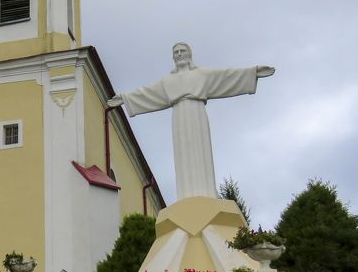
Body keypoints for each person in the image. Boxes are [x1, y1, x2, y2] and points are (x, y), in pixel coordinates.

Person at [107, 43, 274, 199]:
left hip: (197, 113)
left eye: (182, 51)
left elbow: (226, 76)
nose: (179, 54)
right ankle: (186, 195)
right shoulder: (168, 81)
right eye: (176, 52)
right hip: (179, 117)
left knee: (201, 148)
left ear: (189, 54)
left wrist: (253, 73)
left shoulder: (201, 74)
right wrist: (125, 98)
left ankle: (208, 192)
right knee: (183, 151)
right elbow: (148, 93)